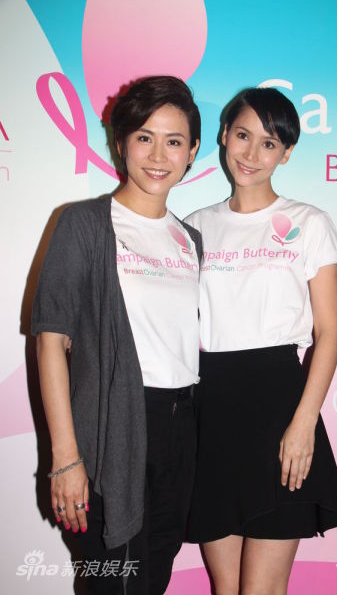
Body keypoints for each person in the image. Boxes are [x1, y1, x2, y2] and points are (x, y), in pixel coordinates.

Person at [32, 75, 202, 595]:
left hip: (181, 427)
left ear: (193, 151)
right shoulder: (83, 224)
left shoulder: (191, 238)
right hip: (113, 426)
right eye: (144, 137)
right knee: (115, 580)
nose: (159, 155)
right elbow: (50, 341)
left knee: (155, 575)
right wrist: (66, 458)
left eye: (174, 141)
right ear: (122, 142)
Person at [184, 87, 337, 595]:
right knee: (226, 588)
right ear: (223, 135)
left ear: (287, 153)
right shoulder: (193, 228)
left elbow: (328, 333)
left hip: (280, 409)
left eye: (270, 143)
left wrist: (303, 424)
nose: (252, 154)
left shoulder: (309, 223)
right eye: (243, 135)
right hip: (210, 412)